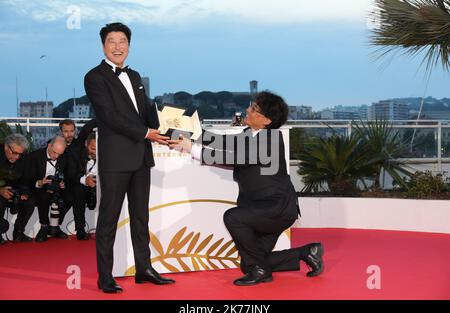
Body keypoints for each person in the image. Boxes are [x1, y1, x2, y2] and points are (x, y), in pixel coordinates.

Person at [171, 91, 324, 286]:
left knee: (233, 217)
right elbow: (223, 142)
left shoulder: (270, 139)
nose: (247, 110)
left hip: (276, 208)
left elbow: (229, 158)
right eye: (251, 106)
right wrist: (182, 134)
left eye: (254, 109)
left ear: (267, 120)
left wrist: (190, 147)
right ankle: (306, 253)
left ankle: (261, 271)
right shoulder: (249, 134)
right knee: (251, 262)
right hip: (263, 207)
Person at [84, 22, 175, 293]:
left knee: (140, 217)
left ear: (129, 45)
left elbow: (145, 112)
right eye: (112, 41)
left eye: (122, 41)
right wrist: (147, 132)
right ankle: (105, 276)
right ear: (103, 45)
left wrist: (171, 127)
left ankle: (144, 269)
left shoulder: (135, 76)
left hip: (140, 157)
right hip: (115, 159)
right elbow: (110, 116)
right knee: (108, 219)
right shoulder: (94, 77)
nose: (117, 46)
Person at [59, 119, 97, 240]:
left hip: (79, 179)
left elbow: (88, 127)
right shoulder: (55, 143)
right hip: (68, 180)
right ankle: (76, 228)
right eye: (66, 131)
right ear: (61, 131)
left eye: (71, 131)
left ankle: (82, 229)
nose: (69, 134)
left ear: (75, 131)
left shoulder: (80, 144)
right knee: (76, 193)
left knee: (79, 192)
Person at [30, 135, 68, 242]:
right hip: (40, 186)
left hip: (57, 186)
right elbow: (28, 179)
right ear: (49, 145)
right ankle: (44, 226)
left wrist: (63, 183)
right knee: (44, 196)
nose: (56, 156)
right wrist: (40, 182)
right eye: (54, 152)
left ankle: (55, 226)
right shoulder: (35, 156)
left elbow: (68, 175)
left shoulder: (64, 157)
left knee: (69, 197)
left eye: (59, 154)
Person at [0, 134, 35, 244]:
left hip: (16, 189)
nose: (17, 157)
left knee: (29, 202)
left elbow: (26, 179)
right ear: (6, 146)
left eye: (20, 154)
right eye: (14, 153)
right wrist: (0, 190)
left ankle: (19, 232)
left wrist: (24, 192)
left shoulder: (24, 158)